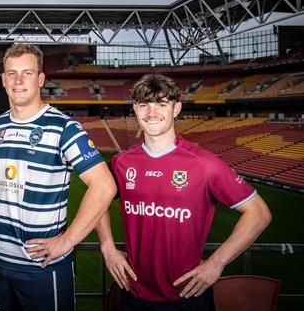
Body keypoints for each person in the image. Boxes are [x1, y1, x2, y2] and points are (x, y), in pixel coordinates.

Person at [95, 73, 272, 311]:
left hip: (189, 297)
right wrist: (107, 247)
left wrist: (216, 263)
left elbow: (259, 213)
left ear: (176, 108)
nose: (151, 113)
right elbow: (97, 201)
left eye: (161, 104)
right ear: (135, 110)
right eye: (144, 105)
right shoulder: (121, 163)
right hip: (133, 293)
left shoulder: (205, 163)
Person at [0, 43, 117, 311]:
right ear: (3, 80)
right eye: (11, 73)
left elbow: (104, 186)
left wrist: (67, 241)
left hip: (42, 266)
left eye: (27, 73)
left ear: (41, 79)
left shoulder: (65, 128)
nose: (18, 81)